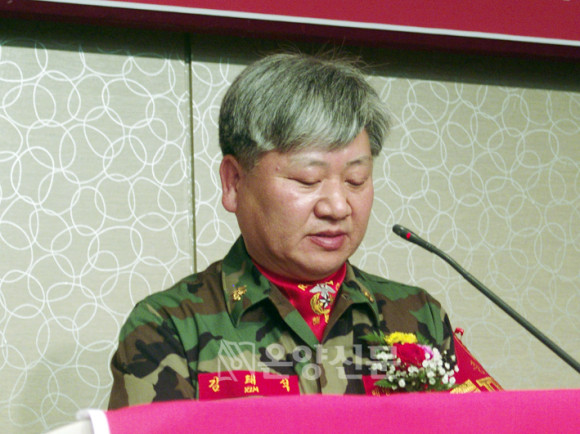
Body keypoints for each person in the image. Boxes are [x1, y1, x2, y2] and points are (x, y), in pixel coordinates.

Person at [108, 53, 454, 409]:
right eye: (308, 179)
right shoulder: (169, 328)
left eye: (356, 179)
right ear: (234, 182)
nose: (337, 207)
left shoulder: (419, 316)